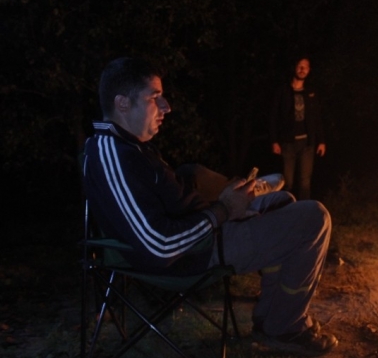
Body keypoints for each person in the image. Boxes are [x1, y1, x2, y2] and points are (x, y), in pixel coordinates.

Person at [82, 57, 338, 356]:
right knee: (314, 218)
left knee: (283, 201)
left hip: (200, 231)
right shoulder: (113, 154)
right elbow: (159, 247)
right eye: (155, 97)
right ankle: (287, 326)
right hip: (192, 253)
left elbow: (169, 206)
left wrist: (222, 204)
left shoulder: (130, 146)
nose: (166, 107)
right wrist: (223, 211)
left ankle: (271, 317)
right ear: (122, 104)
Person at [269, 56, 326, 200]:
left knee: (305, 183)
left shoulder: (310, 92)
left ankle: (304, 213)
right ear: (295, 67)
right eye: (300, 66)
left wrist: (321, 141)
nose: (302, 69)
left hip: (307, 143)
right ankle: (285, 211)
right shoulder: (283, 91)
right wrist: (274, 140)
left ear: (309, 70)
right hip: (288, 143)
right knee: (287, 182)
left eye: (305, 67)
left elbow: (317, 118)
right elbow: (273, 116)